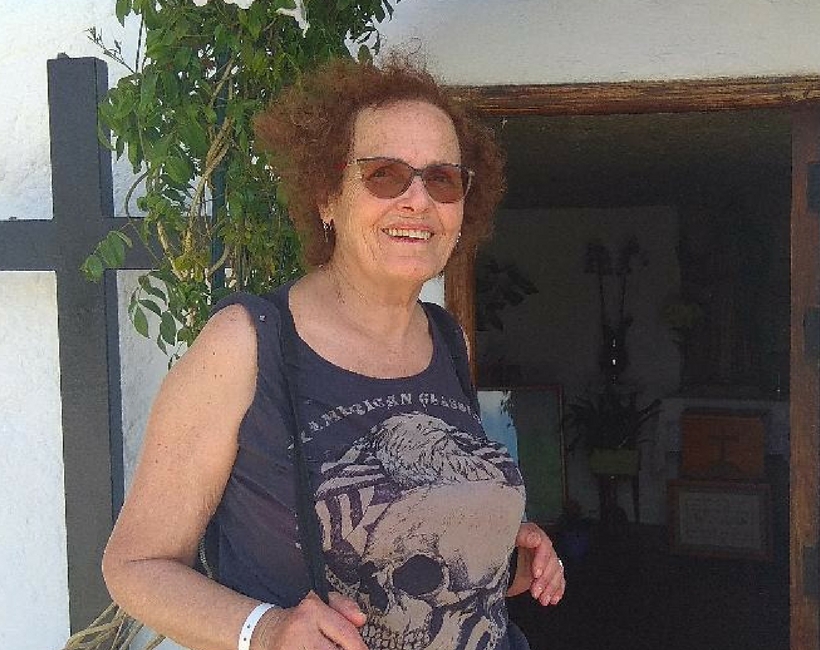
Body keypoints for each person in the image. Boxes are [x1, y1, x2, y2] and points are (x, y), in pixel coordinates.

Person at [101, 55, 565, 650]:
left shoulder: (447, 338)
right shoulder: (247, 343)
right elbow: (135, 565)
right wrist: (266, 630)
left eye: (443, 180)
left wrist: (499, 544)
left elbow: (419, 526)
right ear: (327, 195)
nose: (418, 200)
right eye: (384, 175)